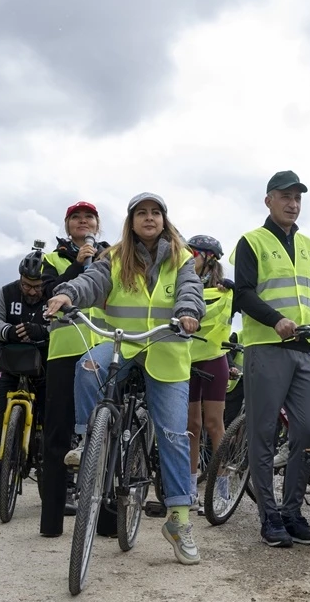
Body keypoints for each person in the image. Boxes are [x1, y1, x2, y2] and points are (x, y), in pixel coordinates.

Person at [47, 192, 205, 564]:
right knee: (87, 367)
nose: (149, 218)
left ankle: (178, 520)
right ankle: (89, 441)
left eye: (155, 213)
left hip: (166, 348)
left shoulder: (183, 258)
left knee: (172, 434)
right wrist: (68, 294)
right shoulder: (113, 257)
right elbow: (92, 284)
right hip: (121, 344)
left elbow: (190, 292)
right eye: (141, 213)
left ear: (164, 220)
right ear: (131, 221)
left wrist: (187, 313)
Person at [233, 170, 310, 548]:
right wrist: (276, 320)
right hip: (266, 348)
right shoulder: (251, 241)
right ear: (268, 200)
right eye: (285, 196)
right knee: (263, 433)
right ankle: (269, 515)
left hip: (304, 353)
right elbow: (242, 293)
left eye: (298, 198)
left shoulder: (307, 245)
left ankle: (292, 511)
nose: (293, 204)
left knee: (307, 430)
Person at [39, 201, 110, 537]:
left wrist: (95, 261)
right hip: (64, 355)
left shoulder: (113, 255)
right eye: (76, 218)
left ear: (98, 224)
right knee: (57, 437)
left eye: (89, 217)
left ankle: (108, 519)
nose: (83, 221)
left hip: (105, 353)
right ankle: (51, 521)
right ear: (67, 226)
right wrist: (77, 265)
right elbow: (45, 298)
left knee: (109, 432)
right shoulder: (50, 260)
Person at [0, 250, 51, 518]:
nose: (31, 291)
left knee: (50, 431)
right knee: (4, 429)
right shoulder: (7, 293)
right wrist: (7, 331)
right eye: (26, 285)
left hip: (45, 367)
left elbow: (70, 323)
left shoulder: (55, 293)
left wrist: (45, 331)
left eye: (36, 286)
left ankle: (57, 491)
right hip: (12, 366)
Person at [185, 234, 234, 513]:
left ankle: (222, 491)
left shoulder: (225, 290)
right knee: (191, 426)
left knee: (215, 425)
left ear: (209, 257)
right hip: (185, 359)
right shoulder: (181, 283)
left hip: (214, 359)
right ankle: (191, 489)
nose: (188, 258)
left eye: (193, 254)